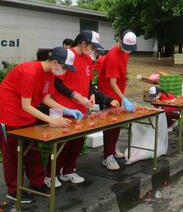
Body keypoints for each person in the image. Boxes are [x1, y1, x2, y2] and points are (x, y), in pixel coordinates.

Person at [0, 47, 81, 203]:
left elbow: (46, 99)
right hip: (9, 112)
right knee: (12, 153)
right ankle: (14, 191)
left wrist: (68, 110)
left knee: (32, 150)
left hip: (27, 114)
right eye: (65, 68)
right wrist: (52, 120)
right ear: (55, 62)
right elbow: (26, 105)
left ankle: (37, 183)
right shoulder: (30, 72)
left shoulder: (49, 73)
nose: (65, 72)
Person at [45, 30, 103, 187]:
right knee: (60, 143)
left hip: (81, 108)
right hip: (62, 107)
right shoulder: (67, 56)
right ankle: (51, 174)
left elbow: (89, 81)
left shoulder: (88, 60)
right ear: (83, 43)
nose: (93, 50)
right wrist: (75, 96)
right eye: (92, 47)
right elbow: (56, 82)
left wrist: (91, 95)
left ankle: (69, 171)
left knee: (77, 142)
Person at [97, 30, 137, 170]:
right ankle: (108, 157)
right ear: (120, 41)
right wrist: (124, 98)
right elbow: (112, 83)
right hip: (108, 94)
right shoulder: (113, 56)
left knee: (118, 124)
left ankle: (112, 149)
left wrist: (122, 96)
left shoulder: (125, 52)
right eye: (126, 47)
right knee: (110, 126)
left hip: (118, 93)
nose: (128, 51)